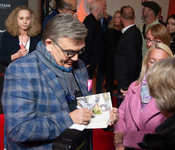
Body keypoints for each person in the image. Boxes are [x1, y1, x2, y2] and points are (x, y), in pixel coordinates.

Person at [1, 13, 118, 150]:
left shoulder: (79, 66)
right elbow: (19, 130)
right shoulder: (21, 71)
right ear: (49, 44)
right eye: (70, 52)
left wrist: (104, 117)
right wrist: (68, 119)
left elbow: (84, 109)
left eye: (80, 51)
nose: (75, 58)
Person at [114, 43, 173, 150]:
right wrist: (119, 143)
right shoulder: (134, 86)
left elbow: (164, 136)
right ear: (146, 63)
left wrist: (126, 138)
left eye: (162, 63)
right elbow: (121, 115)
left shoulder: (173, 96)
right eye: (152, 61)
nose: (156, 67)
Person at [114, 5, 142, 108]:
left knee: (123, 105)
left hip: (126, 79)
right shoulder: (134, 31)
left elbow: (133, 60)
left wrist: (134, 81)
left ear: (121, 18)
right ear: (134, 16)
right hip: (126, 77)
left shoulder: (130, 34)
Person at [79, 1, 105, 93]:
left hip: (91, 60)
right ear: (97, 10)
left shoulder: (95, 21)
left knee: (89, 81)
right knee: (87, 81)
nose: (104, 10)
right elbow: (87, 42)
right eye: (103, 9)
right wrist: (86, 60)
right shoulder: (90, 21)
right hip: (88, 61)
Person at [103, 10, 123, 99]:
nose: (116, 19)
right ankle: (109, 102)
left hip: (119, 62)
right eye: (115, 17)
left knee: (121, 83)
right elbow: (103, 46)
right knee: (109, 84)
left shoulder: (124, 33)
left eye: (118, 17)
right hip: (109, 62)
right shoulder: (109, 31)